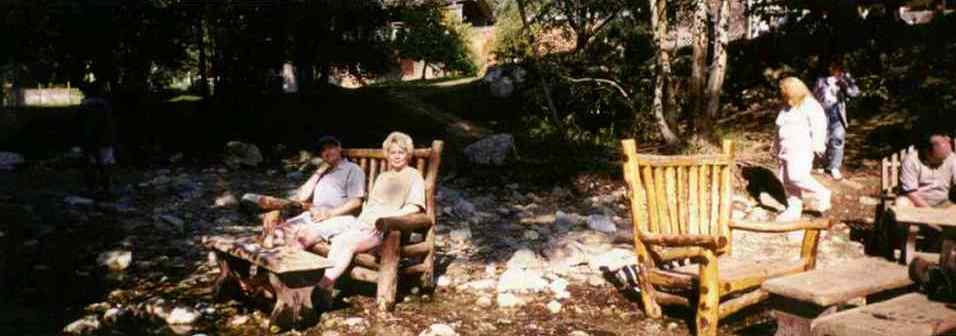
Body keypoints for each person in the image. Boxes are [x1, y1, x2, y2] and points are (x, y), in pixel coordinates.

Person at [296, 131, 425, 298]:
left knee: (344, 243)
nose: (397, 156)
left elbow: (414, 207)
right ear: (387, 154)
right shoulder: (383, 176)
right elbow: (371, 206)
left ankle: (320, 288)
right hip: (364, 225)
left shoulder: (414, 176)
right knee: (334, 238)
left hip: (386, 229)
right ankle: (318, 288)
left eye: (401, 152)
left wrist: (386, 220)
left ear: (408, 154)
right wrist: (360, 223)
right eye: (393, 152)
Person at [258, 136, 366, 247]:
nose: (327, 152)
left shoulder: (352, 169)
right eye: (323, 150)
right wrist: (318, 172)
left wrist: (329, 214)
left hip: (339, 218)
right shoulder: (324, 172)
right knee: (275, 234)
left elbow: (356, 202)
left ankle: (286, 258)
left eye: (330, 148)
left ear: (339, 148)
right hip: (313, 217)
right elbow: (302, 197)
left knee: (299, 239)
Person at [773, 77, 832, 222]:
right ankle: (794, 209)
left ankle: (823, 193)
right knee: (786, 180)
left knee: (797, 177)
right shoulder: (785, 107)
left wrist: (819, 144)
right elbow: (778, 127)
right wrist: (774, 145)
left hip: (800, 149)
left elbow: (819, 125)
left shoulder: (810, 105)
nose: (783, 94)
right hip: (784, 149)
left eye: (785, 91)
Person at [813, 58, 860, 180]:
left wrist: (845, 86)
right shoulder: (821, 80)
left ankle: (834, 167)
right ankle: (822, 163)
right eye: (832, 67)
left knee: (838, 139)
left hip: (838, 112)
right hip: (823, 112)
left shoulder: (846, 79)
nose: (835, 70)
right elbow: (814, 96)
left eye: (838, 67)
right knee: (823, 139)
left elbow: (855, 93)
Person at [897, 129, 956, 209]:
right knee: (901, 203)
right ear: (927, 152)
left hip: (943, 203)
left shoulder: (951, 158)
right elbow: (911, 193)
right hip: (916, 203)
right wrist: (930, 212)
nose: (943, 161)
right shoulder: (911, 161)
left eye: (945, 158)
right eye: (939, 159)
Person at [77, 81, 117, 198]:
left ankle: (94, 188)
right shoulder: (104, 105)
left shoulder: (86, 106)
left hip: (92, 139)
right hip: (105, 139)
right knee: (105, 164)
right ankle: (106, 188)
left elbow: (85, 126)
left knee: (92, 164)